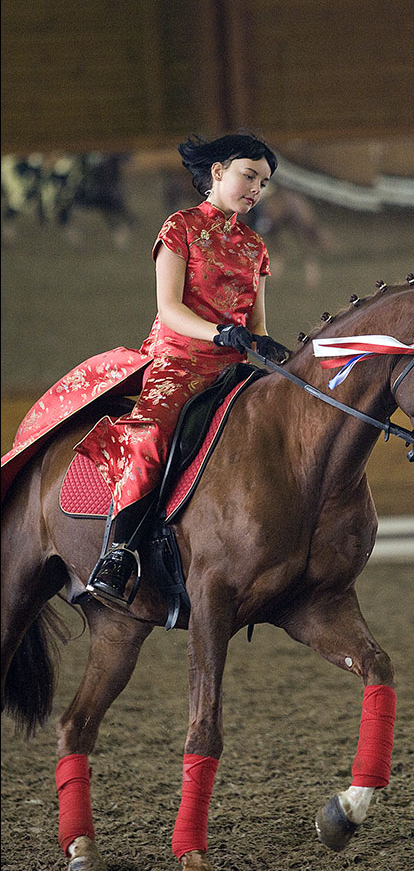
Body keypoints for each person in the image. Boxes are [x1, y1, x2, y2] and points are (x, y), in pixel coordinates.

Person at [1, 132, 290, 605]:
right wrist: (220, 333)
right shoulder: (179, 227)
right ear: (218, 172)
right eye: (249, 175)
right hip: (177, 364)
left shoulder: (255, 246)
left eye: (264, 182)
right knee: (152, 435)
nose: (257, 188)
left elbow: (255, 322)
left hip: (232, 368)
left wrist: (262, 343)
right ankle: (119, 551)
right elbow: (170, 309)